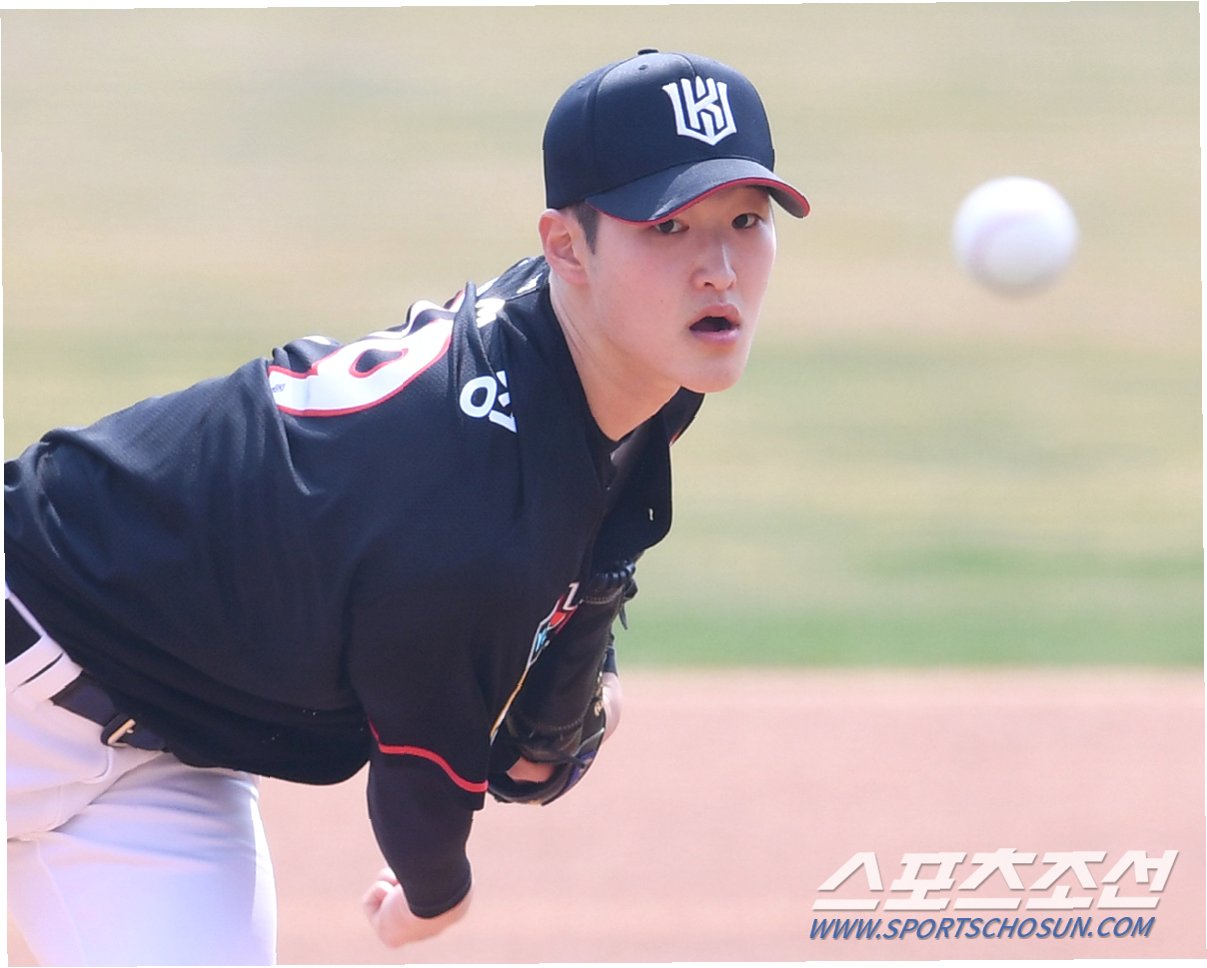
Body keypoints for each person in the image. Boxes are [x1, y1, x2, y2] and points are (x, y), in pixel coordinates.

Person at [5, 48, 808, 965]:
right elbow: (422, 790)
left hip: (166, 754)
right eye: (666, 227)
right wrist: (433, 899)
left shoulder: (624, 361)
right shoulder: (467, 506)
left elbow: (574, 515)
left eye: (745, 220)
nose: (718, 270)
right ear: (564, 247)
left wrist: (585, 670)